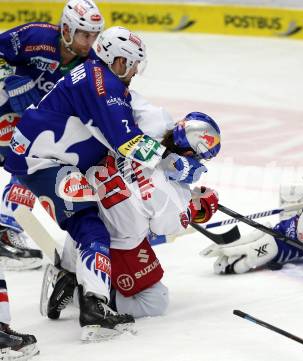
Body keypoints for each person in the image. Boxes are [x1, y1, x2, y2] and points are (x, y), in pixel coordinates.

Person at [4, 25, 208, 341]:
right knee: (92, 226)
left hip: (48, 157)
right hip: (42, 162)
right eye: (132, 62)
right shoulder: (104, 85)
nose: (136, 70)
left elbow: (131, 123)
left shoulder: (99, 76)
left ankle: (84, 295)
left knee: (92, 221)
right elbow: (126, 140)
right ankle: (90, 304)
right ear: (116, 59)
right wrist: (173, 162)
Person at [43, 103, 221, 320]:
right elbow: (165, 227)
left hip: (82, 208)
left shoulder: (152, 121)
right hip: (114, 242)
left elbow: (118, 102)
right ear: (189, 152)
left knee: (113, 216)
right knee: (156, 300)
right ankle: (83, 295)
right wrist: (197, 207)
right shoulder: (175, 196)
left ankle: (70, 269)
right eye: (200, 156)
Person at [0, 0, 103, 356]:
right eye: (83, 34)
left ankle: (3, 221)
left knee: (23, 164)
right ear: (65, 29)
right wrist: (6, 81)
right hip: (5, 108)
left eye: (93, 35)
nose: (89, 42)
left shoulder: (90, 65)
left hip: (30, 124)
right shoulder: (35, 36)